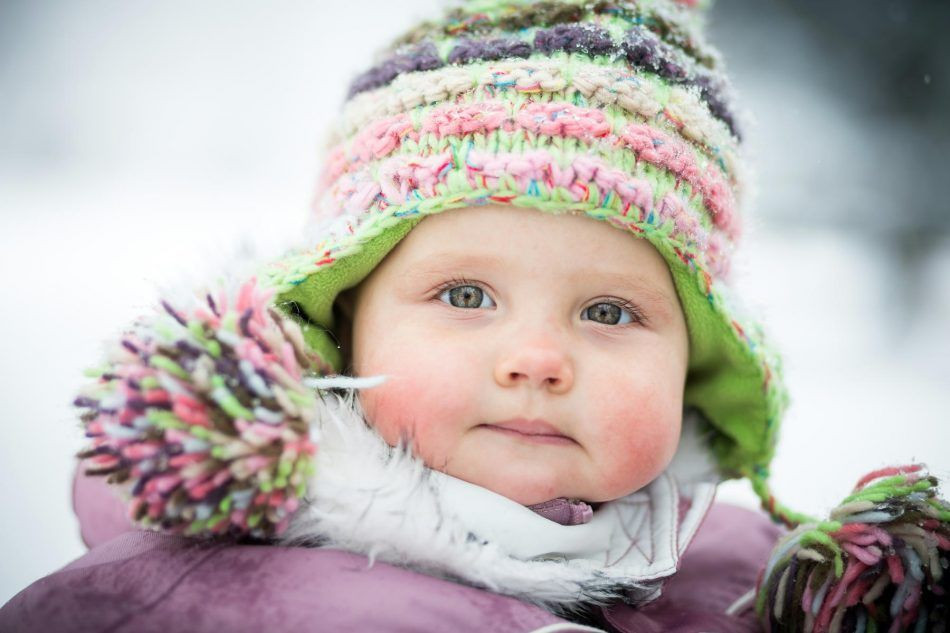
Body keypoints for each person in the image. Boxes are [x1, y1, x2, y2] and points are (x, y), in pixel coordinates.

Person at [3, 1, 945, 631]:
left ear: (695, 360)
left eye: (610, 311)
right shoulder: (197, 592)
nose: (536, 358)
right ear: (344, 317)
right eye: (465, 296)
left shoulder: (743, 582)